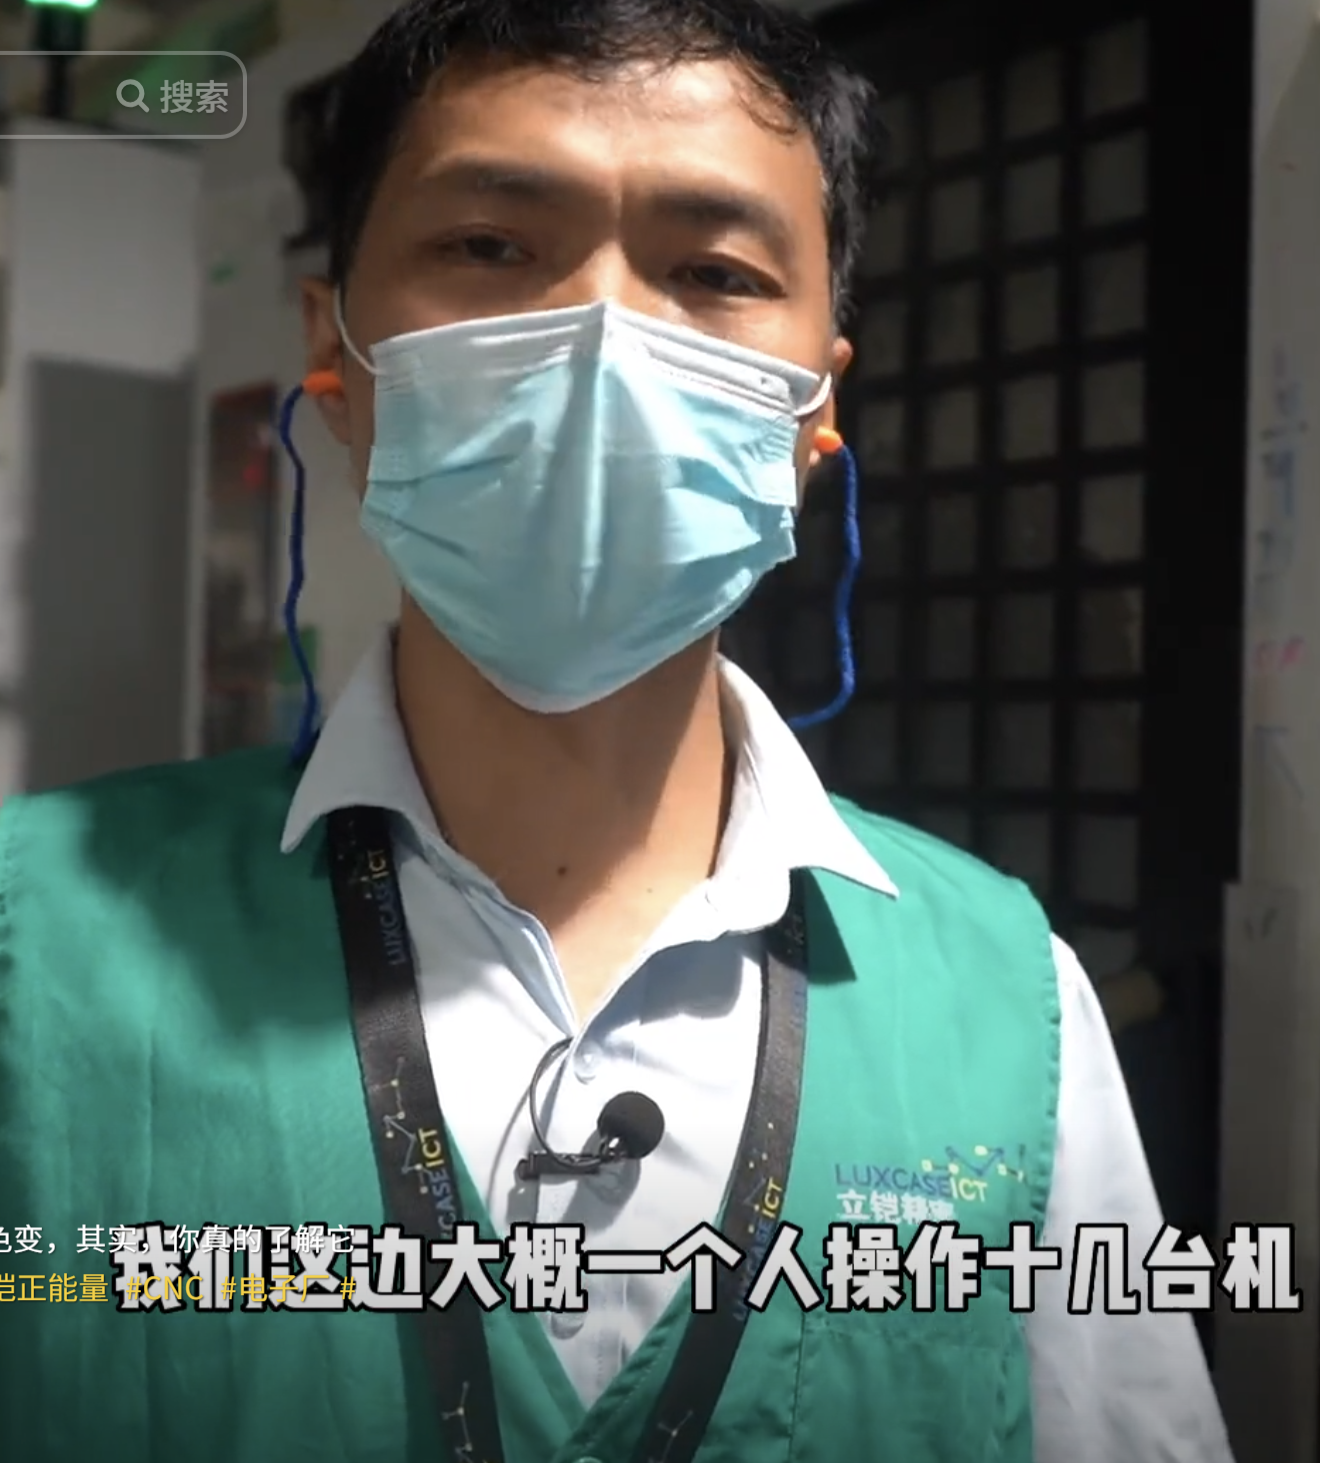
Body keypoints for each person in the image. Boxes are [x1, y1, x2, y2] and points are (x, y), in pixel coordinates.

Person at [0, 1, 1234, 1460]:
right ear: (334, 351)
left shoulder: (1009, 999)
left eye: (714, 272)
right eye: (489, 245)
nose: (603, 340)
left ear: (816, 408)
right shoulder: (32, 945)